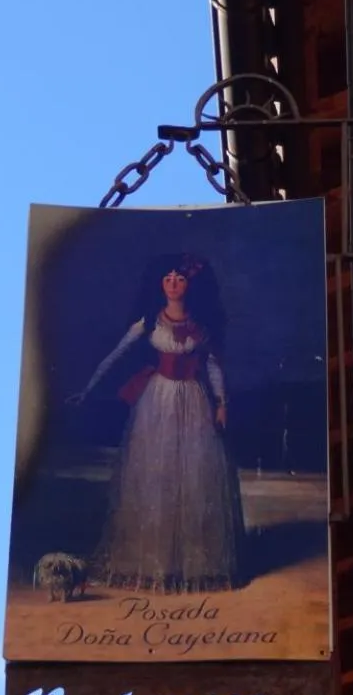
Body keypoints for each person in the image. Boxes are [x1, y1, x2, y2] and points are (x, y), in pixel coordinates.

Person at [67, 252, 245, 593]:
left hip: (193, 400)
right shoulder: (149, 323)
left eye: (180, 278)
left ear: (191, 284)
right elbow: (115, 355)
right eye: (168, 278)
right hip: (156, 400)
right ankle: (153, 563)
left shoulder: (200, 326)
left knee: (193, 476)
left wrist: (222, 403)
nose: (174, 283)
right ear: (160, 283)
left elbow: (212, 367)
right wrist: (87, 390)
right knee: (155, 474)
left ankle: (190, 565)